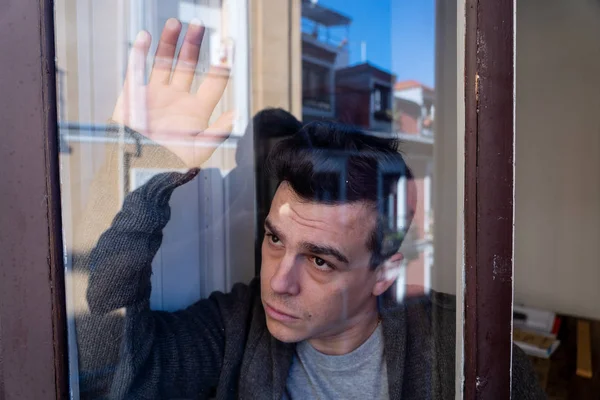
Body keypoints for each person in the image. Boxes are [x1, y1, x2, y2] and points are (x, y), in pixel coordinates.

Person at [83, 19, 545, 399]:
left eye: (321, 260)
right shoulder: (234, 328)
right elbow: (109, 369)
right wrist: (139, 166)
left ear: (384, 274)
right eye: (275, 239)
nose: (278, 283)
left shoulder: (467, 353)